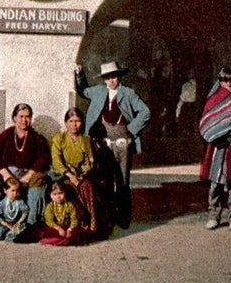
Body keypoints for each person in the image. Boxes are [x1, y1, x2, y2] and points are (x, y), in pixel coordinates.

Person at [74, 61, 151, 228]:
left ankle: (123, 218)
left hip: (123, 139)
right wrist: (79, 75)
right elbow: (83, 91)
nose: (111, 81)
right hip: (103, 140)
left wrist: (131, 130)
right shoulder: (98, 91)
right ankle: (108, 217)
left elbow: (145, 112)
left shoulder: (128, 93)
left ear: (119, 77)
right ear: (104, 79)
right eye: (108, 78)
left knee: (122, 180)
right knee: (106, 179)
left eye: (114, 77)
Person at [198, 66, 231, 231]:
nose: (228, 84)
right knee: (215, 184)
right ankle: (213, 216)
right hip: (217, 148)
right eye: (225, 80)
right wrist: (217, 132)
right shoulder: (213, 99)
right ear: (219, 81)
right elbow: (207, 121)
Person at [50, 107, 110, 239]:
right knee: (67, 190)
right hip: (64, 175)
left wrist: (81, 176)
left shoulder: (86, 139)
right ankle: (73, 226)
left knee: (87, 187)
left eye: (77, 121)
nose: (74, 125)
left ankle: (91, 226)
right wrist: (70, 175)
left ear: (82, 122)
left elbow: (90, 160)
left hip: (82, 175)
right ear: (66, 123)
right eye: (71, 121)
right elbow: (56, 161)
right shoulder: (59, 139)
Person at [0, 103, 51, 225]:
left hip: (29, 174)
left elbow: (43, 158)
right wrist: (6, 175)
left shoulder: (37, 137)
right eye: (21, 116)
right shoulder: (6, 135)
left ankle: (31, 224)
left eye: (27, 117)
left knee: (37, 190)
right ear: (14, 118)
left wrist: (29, 175)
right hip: (7, 173)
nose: (24, 120)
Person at [36, 181, 85, 246]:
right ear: (50, 195)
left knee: (75, 234)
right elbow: (49, 220)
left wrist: (70, 229)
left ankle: (63, 240)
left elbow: (74, 219)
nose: (58, 196)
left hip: (68, 227)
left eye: (60, 193)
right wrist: (58, 228)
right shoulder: (50, 206)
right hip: (55, 227)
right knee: (46, 234)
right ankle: (61, 240)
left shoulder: (69, 205)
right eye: (54, 194)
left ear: (65, 193)